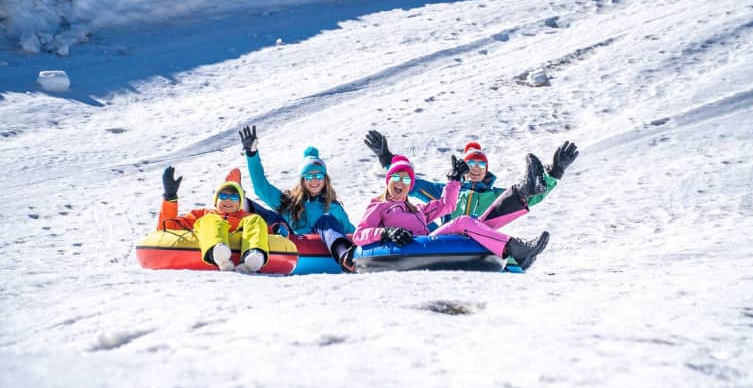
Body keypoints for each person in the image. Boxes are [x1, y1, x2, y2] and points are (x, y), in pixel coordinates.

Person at [352, 154, 550, 270]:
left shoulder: (416, 210)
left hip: (424, 244)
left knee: (479, 224)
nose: (401, 183)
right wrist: (386, 233)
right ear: (388, 180)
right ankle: (515, 248)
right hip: (405, 249)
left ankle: (525, 190)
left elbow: (447, 206)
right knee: (463, 222)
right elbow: (360, 235)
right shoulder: (378, 206)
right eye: (397, 177)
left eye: (406, 180)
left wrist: (454, 180)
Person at [364, 130, 579, 231]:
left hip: (482, 238)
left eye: (480, 165)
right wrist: (386, 157)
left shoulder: (495, 195)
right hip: (448, 240)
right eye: (471, 165)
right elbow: (407, 183)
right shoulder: (445, 191)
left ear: (487, 169)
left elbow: (533, 198)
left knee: (517, 198)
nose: (476, 169)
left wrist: (556, 173)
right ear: (464, 169)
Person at [239, 125, 357, 272]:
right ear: (302, 180)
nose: (314, 180)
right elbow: (262, 188)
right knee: (273, 217)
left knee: (326, 219)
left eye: (318, 176)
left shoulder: (333, 208)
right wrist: (252, 155)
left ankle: (344, 256)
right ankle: (237, 205)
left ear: (325, 179)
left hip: (324, 249)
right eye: (309, 176)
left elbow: (352, 233)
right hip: (291, 244)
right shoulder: (290, 202)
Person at [157, 166, 269, 273]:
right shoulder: (204, 214)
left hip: (245, 246)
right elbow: (168, 226)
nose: (228, 200)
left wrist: (278, 229)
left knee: (256, 219)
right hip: (214, 245)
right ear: (216, 201)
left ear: (240, 203)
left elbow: (264, 232)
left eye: (234, 197)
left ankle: (253, 255)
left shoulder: (247, 217)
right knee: (211, 219)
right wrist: (170, 198)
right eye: (223, 196)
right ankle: (217, 252)